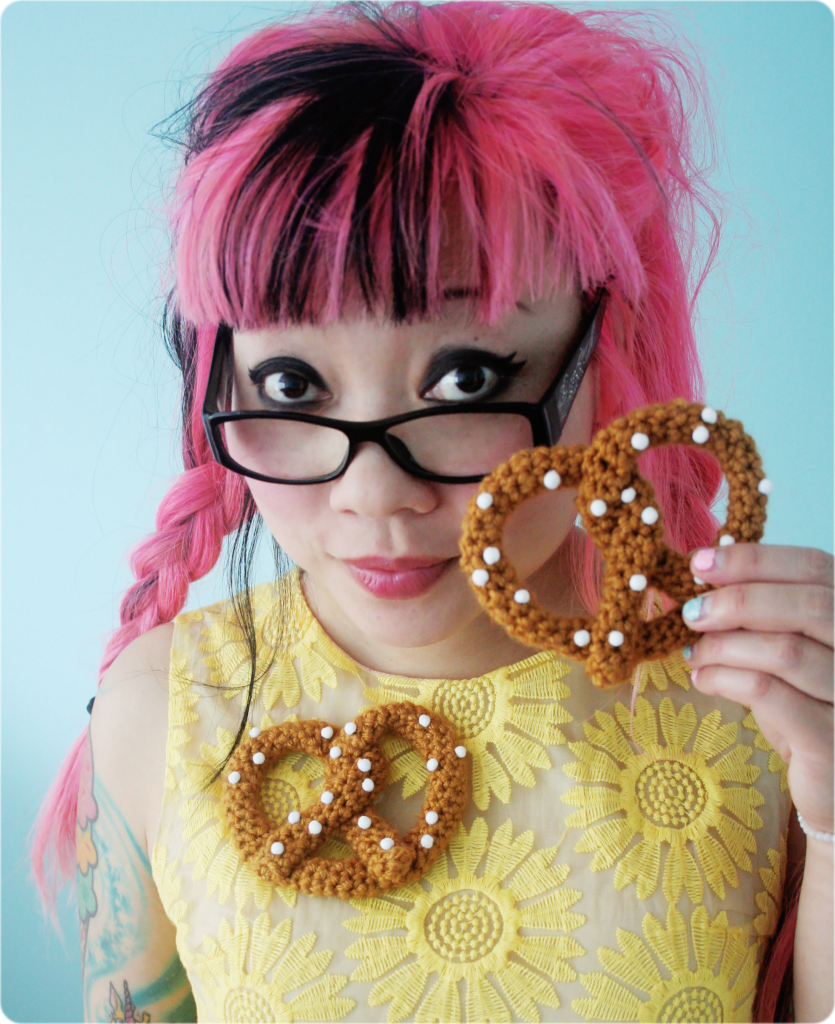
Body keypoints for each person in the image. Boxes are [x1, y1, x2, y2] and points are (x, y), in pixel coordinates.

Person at [30, 2, 835, 1022]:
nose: (374, 497)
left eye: (463, 378)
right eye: (287, 384)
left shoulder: (768, 713)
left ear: (605, 346)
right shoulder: (159, 711)